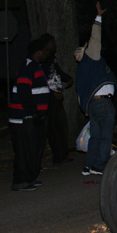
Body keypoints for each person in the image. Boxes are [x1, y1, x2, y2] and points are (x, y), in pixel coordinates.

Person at [75, 2, 117, 176]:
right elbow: (95, 37)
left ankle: (89, 165)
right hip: (103, 103)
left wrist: (85, 108)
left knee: (96, 136)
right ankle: (99, 165)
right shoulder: (90, 58)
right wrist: (98, 18)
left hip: (92, 105)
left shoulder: (82, 69)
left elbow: (79, 90)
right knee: (106, 136)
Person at [8, 37, 52, 191]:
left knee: (33, 149)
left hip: (31, 117)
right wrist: (33, 112)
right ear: (38, 52)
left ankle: (29, 178)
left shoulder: (35, 66)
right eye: (45, 51)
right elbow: (24, 91)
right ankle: (21, 180)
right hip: (24, 118)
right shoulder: (28, 67)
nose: (47, 53)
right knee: (24, 150)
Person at [39, 34, 74, 165]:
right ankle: (59, 156)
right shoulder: (43, 60)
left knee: (61, 125)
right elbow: (41, 79)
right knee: (54, 126)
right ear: (47, 44)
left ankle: (63, 154)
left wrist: (68, 78)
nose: (55, 45)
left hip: (56, 95)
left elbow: (57, 71)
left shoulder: (51, 58)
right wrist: (53, 93)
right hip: (50, 97)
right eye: (53, 43)